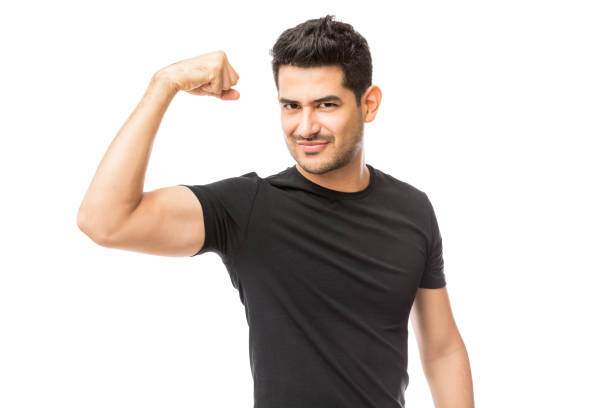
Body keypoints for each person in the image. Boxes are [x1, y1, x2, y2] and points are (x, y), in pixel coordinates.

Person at [77, 14, 474, 408]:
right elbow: (105, 221)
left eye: (326, 104)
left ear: (368, 104)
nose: (305, 127)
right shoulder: (248, 209)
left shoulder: (412, 208)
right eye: (291, 106)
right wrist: (164, 84)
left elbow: (441, 348)